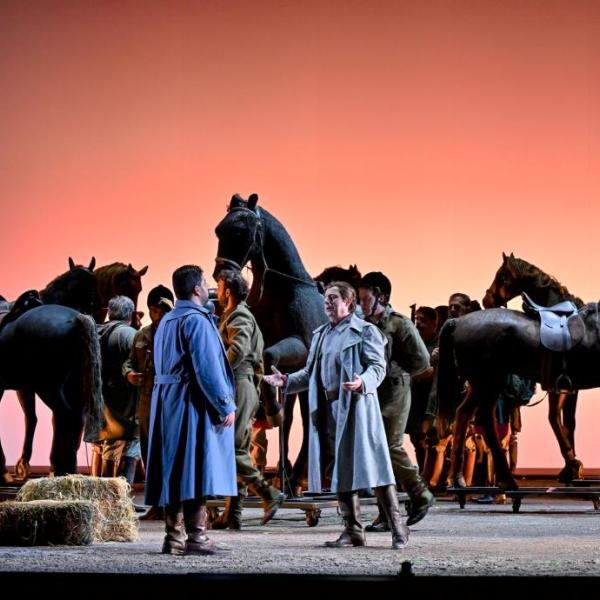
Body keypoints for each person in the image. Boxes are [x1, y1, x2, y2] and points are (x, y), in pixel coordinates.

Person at [265, 281, 409, 550]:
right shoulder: (321, 334)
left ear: (349, 303)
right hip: (330, 411)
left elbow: (378, 367)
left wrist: (362, 382)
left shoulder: (365, 331)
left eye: (333, 298)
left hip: (357, 408)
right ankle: (353, 529)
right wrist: (285, 380)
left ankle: (398, 525)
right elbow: (309, 374)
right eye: (325, 299)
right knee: (341, 472)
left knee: (375, 468)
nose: (327, 303)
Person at [144, 265, 237, 555]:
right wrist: (224, 405)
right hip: (190, 402)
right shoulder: (196, 321)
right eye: (205, 283)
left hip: (166, 402)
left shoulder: (168, 320)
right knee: (194, 468)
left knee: (174, 470)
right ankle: (196, 538)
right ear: (197, 289)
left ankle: (173, 537)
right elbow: (207, 369)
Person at [357, 273, 435, 530]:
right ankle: (386, 515)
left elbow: (422, 360)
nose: (361, 302)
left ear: (382, 296)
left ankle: (420, 493)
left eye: (365, 297)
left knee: (389, 446)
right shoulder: (363, 322)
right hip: (372, 391)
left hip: (394, 390)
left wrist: (395, 367)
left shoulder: (398, 324)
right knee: (375, 453)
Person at [212, 269, 280, 529]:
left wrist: (218, 373)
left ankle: (268, 493)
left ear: (227, 291)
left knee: (231, 449)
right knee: (237, 448)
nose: (216, 292)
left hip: (238, 383)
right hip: (242, 384)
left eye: (218, 287)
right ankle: (233, 513)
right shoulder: (235, 314)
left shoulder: (239, 314)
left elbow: (238, 349)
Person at [123, 284, 174, 519]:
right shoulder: (142, 335)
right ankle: (156, 504)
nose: (159, 315)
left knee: (170, 451)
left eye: (163, 310)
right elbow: (129, 362)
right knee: (148, 450)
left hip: (171, 400)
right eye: (155, 310)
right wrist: (129, 374)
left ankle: (172, 504)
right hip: (147, 399)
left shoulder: (177, 332)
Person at [93, 296, 138, 480]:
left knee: (103, 444)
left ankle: (102, 493)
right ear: (130, 313)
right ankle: (121, 496)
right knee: (132, 441)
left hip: (100, 396)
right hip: (124, 398)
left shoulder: (97, 331)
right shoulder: (128, 334)